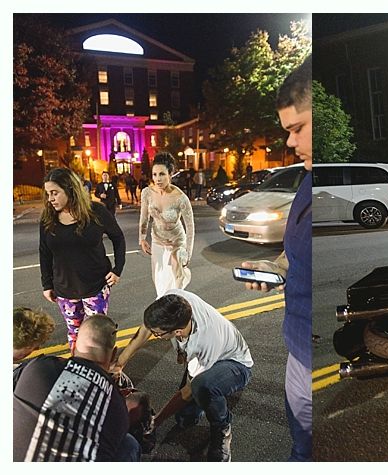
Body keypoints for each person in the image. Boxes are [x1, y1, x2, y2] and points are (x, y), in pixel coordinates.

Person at [239, 55, 313, 461]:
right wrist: (274, 266)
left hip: (312, 356)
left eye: (297, 128)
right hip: (295, 352)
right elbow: (292, 256)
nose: (289, 141)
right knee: (299, 447)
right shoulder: (305, 182)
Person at [114, 290, 253, 462]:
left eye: (157, 334)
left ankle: (222, 429)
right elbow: (145, 330)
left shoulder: (203, 340)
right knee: (185, 419)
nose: (154, 335)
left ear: (178, 331)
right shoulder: (172, 300)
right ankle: (198, 406)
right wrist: (120, 363)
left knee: (202, 386)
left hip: (235, 364)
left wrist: (156, 421)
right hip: (204, 357)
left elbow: (189, 390)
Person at [14, 314, 138, 461]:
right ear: (113, 355)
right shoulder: (118, 407)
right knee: (130, 445)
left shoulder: (39, 367)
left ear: (73, 347)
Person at [39, 168, 125, 350]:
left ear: (70, 190)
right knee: (74, 333)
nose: (50, 199)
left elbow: (118, 238)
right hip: (64, 290)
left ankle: (102, 372)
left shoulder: (96, 212)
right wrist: (47, 284)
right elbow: (44, 252)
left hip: (95, 287)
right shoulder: (48, 218)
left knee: (97, 336)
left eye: (55, 193)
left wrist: (118, 270)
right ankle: (78, 371)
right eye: (48, 194)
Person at [139, 153, 195, 297]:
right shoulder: (147, 193)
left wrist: (187, 253)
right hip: (157, 240)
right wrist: (142, 238)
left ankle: (176, 307)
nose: (157, 179)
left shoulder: (181, 198)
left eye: (162, 174)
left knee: (176, 279)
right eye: (155, 174)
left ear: (171, 174)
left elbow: (190, 228)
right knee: (160, 280)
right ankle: (164, 306)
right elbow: (144, 217)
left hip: (177, 242)